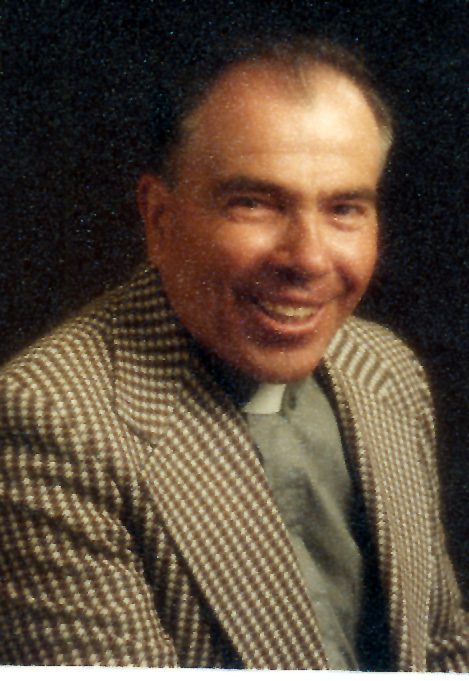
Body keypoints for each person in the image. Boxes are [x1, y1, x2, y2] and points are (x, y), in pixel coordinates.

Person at [0, 36, 467, 671]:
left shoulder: (385, 367)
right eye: (254, 203)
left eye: (344, 208)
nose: (308, 258)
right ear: (159, 220)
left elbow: (440, 648)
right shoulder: (48, 421)